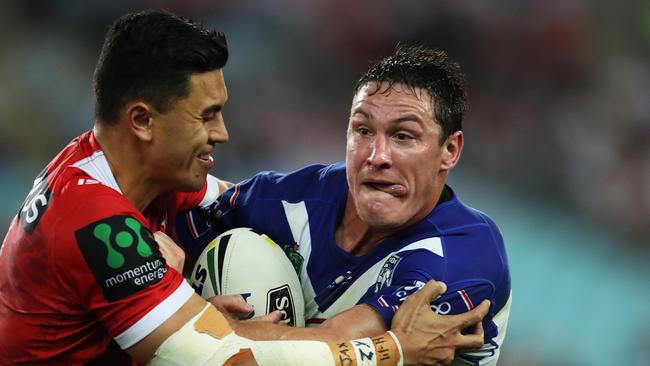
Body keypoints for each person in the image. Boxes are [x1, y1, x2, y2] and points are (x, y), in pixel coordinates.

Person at [0, 10, 490, 365]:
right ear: (143, 121)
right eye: (207, 115)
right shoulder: (99, 223)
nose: (222, 133)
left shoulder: (125, 173)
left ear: (451, 151)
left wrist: (192, 311)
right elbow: (222, 360)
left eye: (403, 136)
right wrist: (394, 350)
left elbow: (243, 201)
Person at [178, 45, 512, 364]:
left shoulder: (462, 256)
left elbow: (337, 348)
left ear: (450, 150)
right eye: (363, 130)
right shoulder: (294, 199)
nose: (376, 156)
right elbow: (180, 227)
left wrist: (207, 326)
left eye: (403, 136)